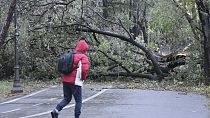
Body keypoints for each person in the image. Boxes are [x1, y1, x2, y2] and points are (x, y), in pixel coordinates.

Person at [51, 39, 89, 118]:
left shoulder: (70, 54)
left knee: (67, 98)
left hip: (65, 80)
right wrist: (83, 78)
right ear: (84, 49)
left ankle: (56, 110)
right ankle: (76, 117)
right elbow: (84, 70)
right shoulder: (83, 57)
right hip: (75, 82)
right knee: (78, 101)